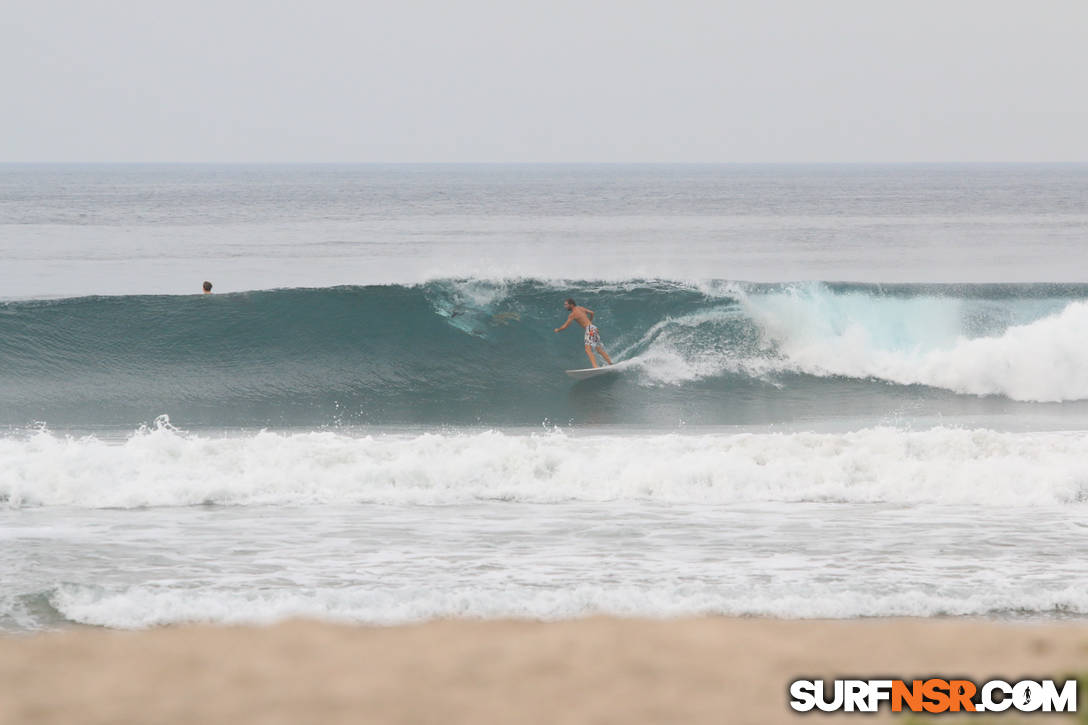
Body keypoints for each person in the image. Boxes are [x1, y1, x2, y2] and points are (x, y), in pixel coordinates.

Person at [554, 297, 614, 368]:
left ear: (571, 305)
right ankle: (610, 363)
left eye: (566, 304)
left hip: (589, 330)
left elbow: (565, 326)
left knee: (587, 349)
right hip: (593, 328)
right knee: (598, 349)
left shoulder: (572, 314)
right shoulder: (580, 308)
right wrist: (590, 322)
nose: (565, 306)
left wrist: (558, 329)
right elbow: (592, 313)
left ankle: (595, 367)